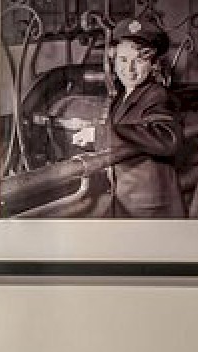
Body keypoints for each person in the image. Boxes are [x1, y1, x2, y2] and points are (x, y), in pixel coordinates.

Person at [76, 20, 184, 217]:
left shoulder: (157, 94)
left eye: (139, 60)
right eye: (123, 60)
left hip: (150, 205)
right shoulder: (121, 95)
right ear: (114, 62)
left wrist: (100, 134)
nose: (130, 69)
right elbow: (127, 136)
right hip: (125, 198)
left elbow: (167, 138)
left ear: (153, 65)